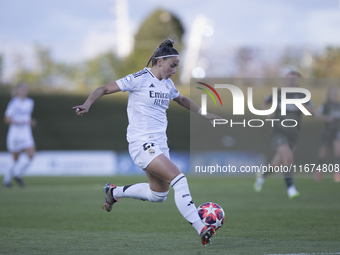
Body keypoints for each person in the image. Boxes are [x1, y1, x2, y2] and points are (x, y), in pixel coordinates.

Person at [73, 39, 220, 245]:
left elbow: (182, 99)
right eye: (173, 65)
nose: (175, 70)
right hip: (141, 143)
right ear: (160, 61)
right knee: (180, 179)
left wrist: (205, 114)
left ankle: (113, 192)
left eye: (177, 66)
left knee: (158, 195)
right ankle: (201, 227)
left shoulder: (168, 84)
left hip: (160, 145)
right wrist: (87, 104)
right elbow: (104, 89)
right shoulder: (139, 78)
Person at [253, 70, 314, 198]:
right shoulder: (279, 93)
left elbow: (313, 112)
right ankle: (291, 188)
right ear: (285, 80)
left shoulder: (303, 95)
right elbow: (264, 103)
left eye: (294, 79)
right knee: (288, 157)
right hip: (278, 131)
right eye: (289, 79)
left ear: (298, 81)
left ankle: (262, 175)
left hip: (294, 134)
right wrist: (268, 112)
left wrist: (303, 105)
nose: (291, 81)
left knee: (276, 163)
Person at [3, 83, 36, 188]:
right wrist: (19, 122)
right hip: (15, 134)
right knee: (15, 159)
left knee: (31, 155)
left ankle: (17, 174)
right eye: (21, 89)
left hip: (26, 133)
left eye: (24, 89)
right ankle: (6, 181)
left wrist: (30, 122)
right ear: (17, 91)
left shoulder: (30, 102)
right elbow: (7, 119)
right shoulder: (13, 103)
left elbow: (26, 117)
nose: (23, 91)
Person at [315, 86, 340, 182]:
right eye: (333, 93)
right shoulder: (325, 105)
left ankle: (337, 174)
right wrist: (327, 118)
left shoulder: (338, 105)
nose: (335, 95)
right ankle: (318, 171)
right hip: (327, 131)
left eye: (336, 93)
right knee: (323, 153)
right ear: (329, 94)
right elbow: (317, 115)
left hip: (337, 131)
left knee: (338, 152)